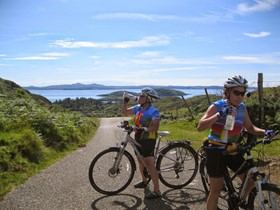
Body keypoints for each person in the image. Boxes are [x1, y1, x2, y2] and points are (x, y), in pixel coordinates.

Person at [197, 75, 276, 210]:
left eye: (242, 93)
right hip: (215, 149)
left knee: (250, 180)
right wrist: (219, 115)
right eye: (236, 92)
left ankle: (240, 202)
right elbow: (200, 127)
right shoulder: (217, 106)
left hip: (232, 149)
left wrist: (264, 131)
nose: (239, 96)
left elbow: (250, 127)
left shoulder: (242, 108)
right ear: (227, 92)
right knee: (215, 190)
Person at [121, 87, 161, 199]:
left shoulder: (154, 111)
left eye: (142, 96)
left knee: (149, 163)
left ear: (148, 99)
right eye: (140, 95)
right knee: (140, 160)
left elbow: (155, 127)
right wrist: (125, 101)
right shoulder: (138, 108)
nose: (139, 97)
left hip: (149, 139)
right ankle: (144, 181)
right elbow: (124, 112)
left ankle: (157, 190)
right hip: (138, 137)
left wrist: (144, 129)